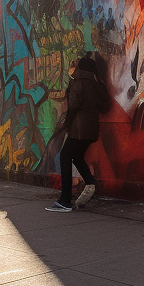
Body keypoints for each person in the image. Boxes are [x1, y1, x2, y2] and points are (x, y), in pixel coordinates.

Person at [46, 55, 109, 212]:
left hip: (78, 129)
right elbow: (105, 106)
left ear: (80, 68)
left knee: (65, 156)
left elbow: (73, 106)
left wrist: (66, 124)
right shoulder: (96, 83)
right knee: (76, 156)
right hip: (92, 129)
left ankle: (65, 200)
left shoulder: (77, 83)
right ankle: (90, 182)